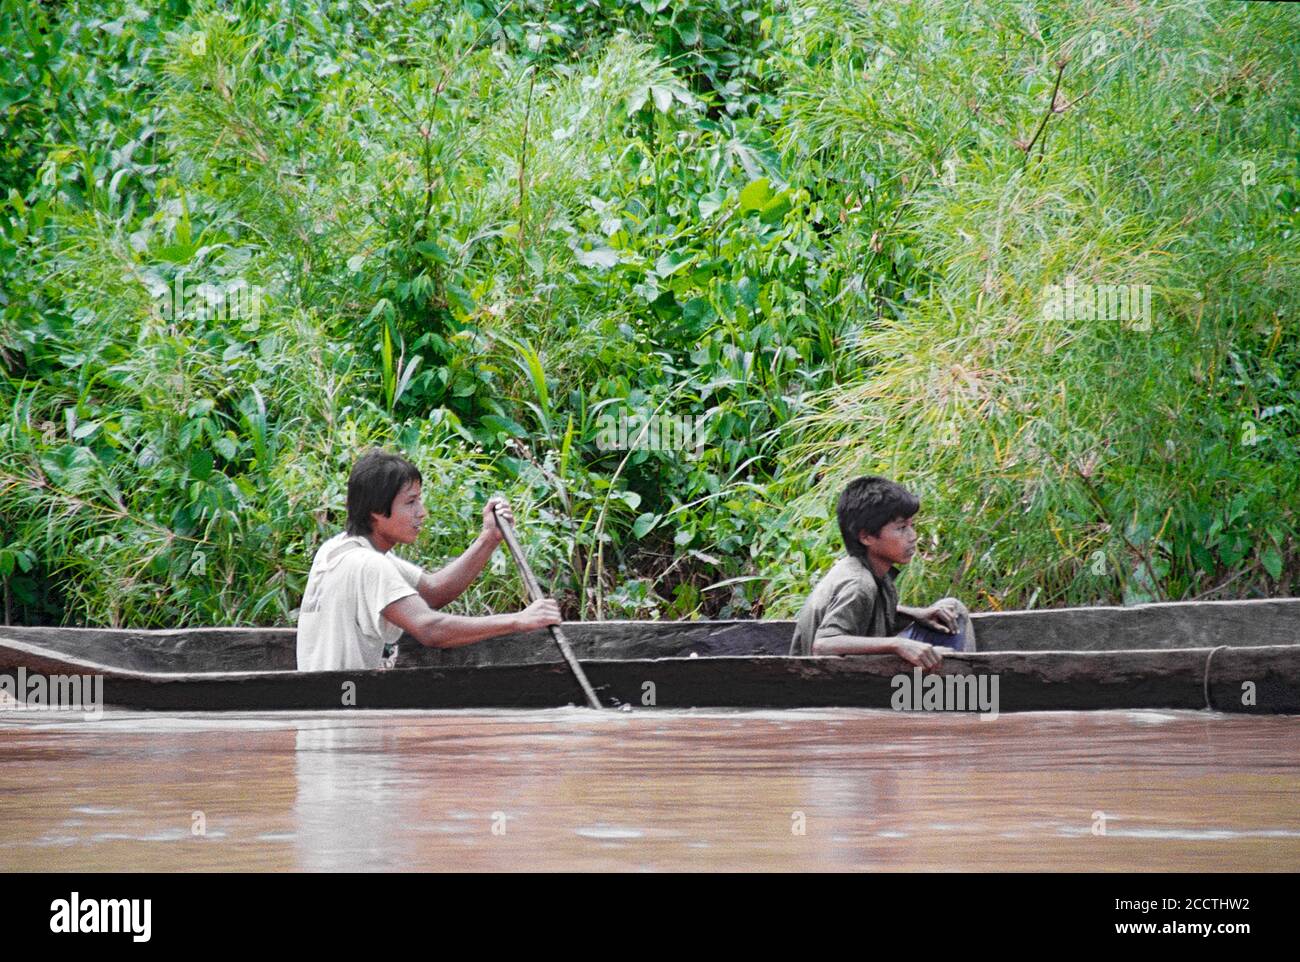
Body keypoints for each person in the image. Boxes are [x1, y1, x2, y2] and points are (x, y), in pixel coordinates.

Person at [296, 449, 560, 671]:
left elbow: (433, 591)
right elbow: (430, 629)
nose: (422, 513)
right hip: (346, 716)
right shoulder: (369, 565)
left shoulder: (338, 549)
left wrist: (489, 538)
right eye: (411, 502)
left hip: (335, 704)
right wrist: (519, 620)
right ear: (376, 511)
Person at [789, 475, 975, 669]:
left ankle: (957, 690)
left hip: (853, 672)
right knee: (952, 626)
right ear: (866, 536)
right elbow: (823, 645)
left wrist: (915, 614)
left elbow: (865, 610)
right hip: (829, 683)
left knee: (951, 609)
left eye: (912, 526)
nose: (913, 536)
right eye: (902, 528)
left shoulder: (872, 570)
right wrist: (897, 644)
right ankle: (962, 694)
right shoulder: (859, 584)